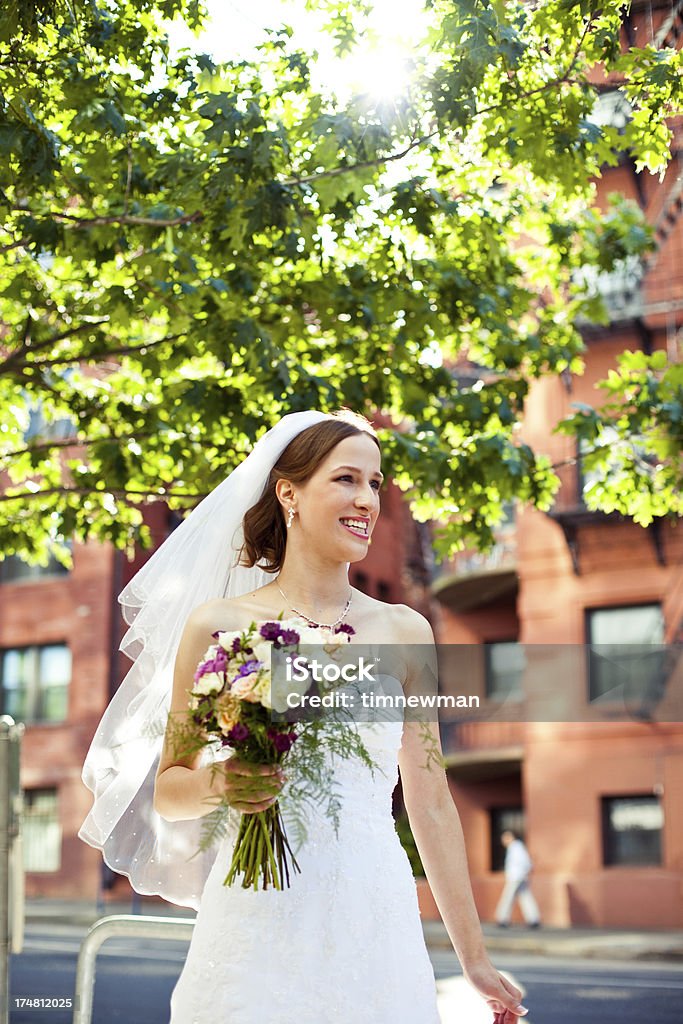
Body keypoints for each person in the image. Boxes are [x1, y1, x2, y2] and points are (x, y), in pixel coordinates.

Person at [79, 409, 530, 1024]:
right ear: (288, 493)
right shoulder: (217, 627)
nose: (367, 499)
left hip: (374, 913)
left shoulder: (406, 632)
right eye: (346, 479)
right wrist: (226, 782)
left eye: (375, 483)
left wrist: (474, 961)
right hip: (254, 910)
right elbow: (171, 791)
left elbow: (430, 803)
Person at [495, 830, 541, 929]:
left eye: (505, 838)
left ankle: (503, 919)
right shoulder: (516, 847)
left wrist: (520, 874)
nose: (503, 840)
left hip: (515, 877)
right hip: (520, 877)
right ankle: (533, 919)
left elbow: (525, 863)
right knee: (525, 897)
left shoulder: (516, 847)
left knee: (508, 898)